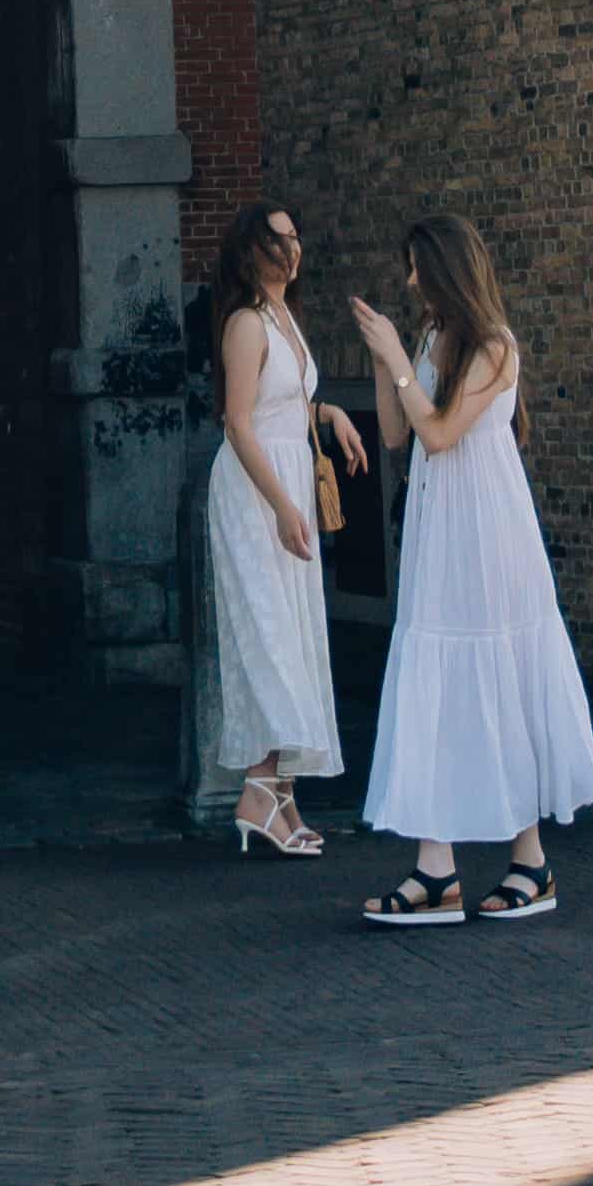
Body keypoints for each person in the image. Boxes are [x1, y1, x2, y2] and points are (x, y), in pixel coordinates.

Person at [346, 210, 593, 924]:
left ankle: (528, 861)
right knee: (442, 677)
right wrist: (383, 363)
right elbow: (398, 435)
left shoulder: (494, 347)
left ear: (445, 272)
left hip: (486, 535)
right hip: (440, 529)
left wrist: (397, 357)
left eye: (415, 267)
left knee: (498, 677)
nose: (407, 280)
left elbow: (437, 434)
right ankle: (440, 869)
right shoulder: (435, 337)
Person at [202, 201, 365, 857]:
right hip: (253, 489)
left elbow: (284, 398)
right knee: (267, 631)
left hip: (287, 477)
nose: (292, 250)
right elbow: (238, 421)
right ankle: (257, 791)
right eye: (279, 240)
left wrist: (328, 414)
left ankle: (280, 793)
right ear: (251, 252)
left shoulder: (282, 319)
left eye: (296, 237)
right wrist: (278, 505)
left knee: (293, 633)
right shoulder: (245, 323)